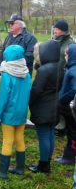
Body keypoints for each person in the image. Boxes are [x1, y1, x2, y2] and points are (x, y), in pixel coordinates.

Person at [0, 45, 31, 179]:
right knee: (19, 138)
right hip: (22, 113)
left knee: (7, 140)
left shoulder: (7, 75)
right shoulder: (27, 73)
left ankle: (2, 172)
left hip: (9, 114)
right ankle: (20, 168)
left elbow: (2, 99)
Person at [28, 40, 63, 173]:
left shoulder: (44, 70)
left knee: (43, 136)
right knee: (50, 135)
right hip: (55, 107)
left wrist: (30, 102)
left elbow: (36, 90)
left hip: (43, 107)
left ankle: (43, 165)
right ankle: (46, 162)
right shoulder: (60, 67)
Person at [53, 20, 75, 138]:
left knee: (62, 101)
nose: (54, 30)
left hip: (65, 75)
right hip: (54, 75)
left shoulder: (70, 43)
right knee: (55, 100)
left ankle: (62, 127)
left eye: (56, 29)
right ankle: (56, 123)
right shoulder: (54, 40)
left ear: (62, 30)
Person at [56, 44, 76, 166]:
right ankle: (68, 155)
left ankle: (69, 157)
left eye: (67, 54)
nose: (65, 56)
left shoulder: (73, 70)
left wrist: (63, 98)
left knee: (72, 133)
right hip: (68, 107)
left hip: (69, 108)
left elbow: (74, 89)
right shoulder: (71, 68)